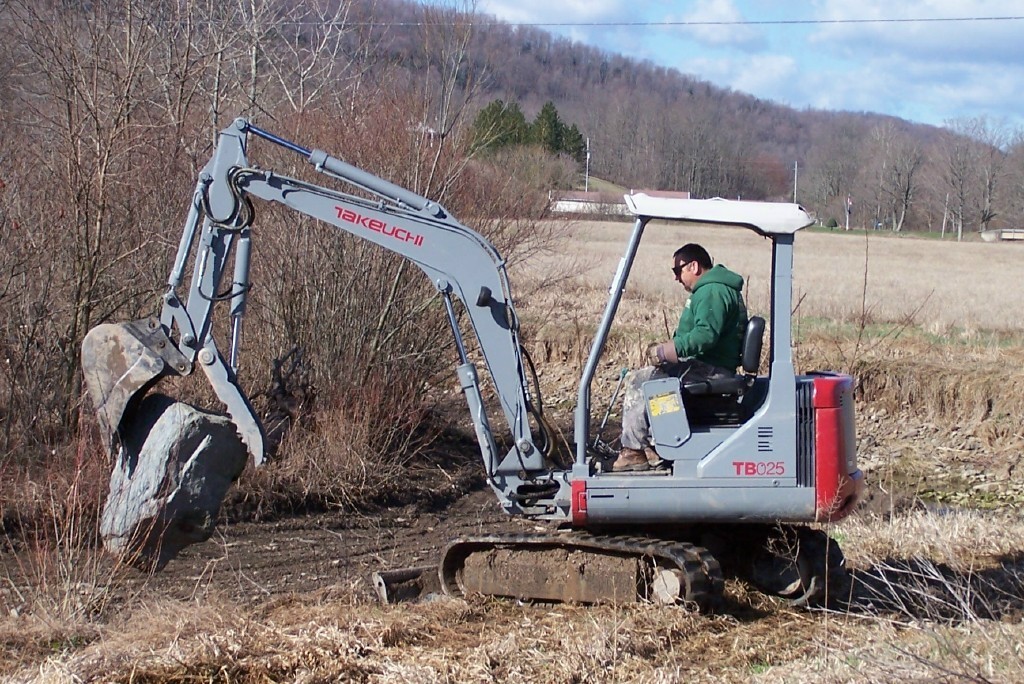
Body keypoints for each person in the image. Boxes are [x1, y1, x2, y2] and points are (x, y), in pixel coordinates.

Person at [611, 243, 748, 472]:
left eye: (678, 270)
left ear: (693, 266)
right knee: (654, 377)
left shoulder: (712, 291)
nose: (677, 278)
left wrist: (666, 351)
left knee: (641, 381)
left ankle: (633, 450)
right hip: (709, 364)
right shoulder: (713, 289)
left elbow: (705, 336)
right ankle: (653, 446)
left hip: (711, 368)